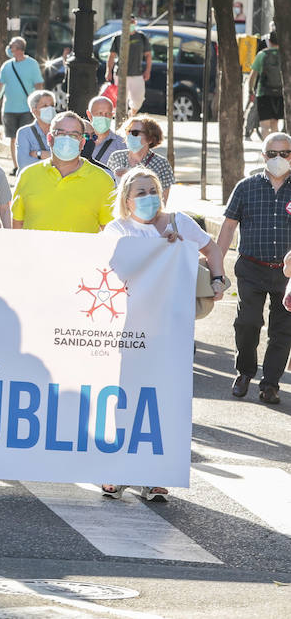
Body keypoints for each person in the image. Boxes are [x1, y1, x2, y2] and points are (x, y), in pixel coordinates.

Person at [99, 167, 226, 501]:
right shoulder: (116, 231)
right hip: (131, 331)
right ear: (126, 200)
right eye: (140, 192)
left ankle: (157, 475)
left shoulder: (180, 223)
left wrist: (217, 278)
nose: (148, 198)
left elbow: (212, 250)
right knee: (126, 399)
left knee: (166, 399)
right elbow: (108, 274)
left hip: (172, 329)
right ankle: (116, 471)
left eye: (152, 190)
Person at [215, 132, 291, 406]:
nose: (279, 159)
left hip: (287, 274)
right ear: (263, 156)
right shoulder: (246, 187)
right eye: (273, 153)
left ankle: (270, 384)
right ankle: (245, 372)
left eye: (285, 153)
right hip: (251, 268)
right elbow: (227, 227)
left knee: (282, 330)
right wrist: (216, 266)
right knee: (247, 323)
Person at [11, 110, 115, 233]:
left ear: (82, 143)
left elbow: (110, 230)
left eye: (74, 135)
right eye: (60, 133)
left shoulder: (103, 180)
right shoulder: (27, 175)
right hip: (35, 252)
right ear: (50, 139)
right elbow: (17, 224)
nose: (67, 139)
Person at [108, 115, 175, 199]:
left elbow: (163, 200)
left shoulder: (161, 164)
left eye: (135, 133)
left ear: (150, 138)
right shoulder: (116, 157)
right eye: (128, 131)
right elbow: (107, 190)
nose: (130, 136)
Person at [0, 36, 45, 152]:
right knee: (13, 139)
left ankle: (24, 164)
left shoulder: (32, 64)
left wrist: (39, 105)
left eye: (11, 46)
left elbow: (39, 86)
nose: (8, 48)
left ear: (18, 49)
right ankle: (15, 167)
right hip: (9, 109)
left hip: (27, 110)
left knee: (25, 138)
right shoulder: (6, 66)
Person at [106, 25, 153, 120]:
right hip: (120, 74)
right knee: (121, 101)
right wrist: (108, 71)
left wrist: (148, 70)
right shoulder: (118, 37)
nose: (130, 24)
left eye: (132, 22)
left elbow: (148, 55)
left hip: (137, 74)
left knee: (138, 99)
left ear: (135, 23)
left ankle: (131, 115)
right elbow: (111, 56)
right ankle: (121, 120)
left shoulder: (141, 37)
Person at [249, 31, 283, 137]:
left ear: (269, 41)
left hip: (263, 93)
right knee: (274, 123)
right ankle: (275, 150)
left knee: (264, 125)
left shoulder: (262, 55)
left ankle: (267, 150)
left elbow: (253, 75)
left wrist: (250, 90)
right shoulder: (284, 56)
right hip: (279, 93)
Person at [14, 89, 56, 173]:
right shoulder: (24, 133)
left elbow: (68, 162)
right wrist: (53, 159)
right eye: (45, 106)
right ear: (34, 110)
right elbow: (25, 164)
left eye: (52, 105)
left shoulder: (61, 132)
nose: (50, 109)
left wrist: (38, 154)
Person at [82, 95, 125, 167]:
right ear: (89, 115)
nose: (103, 117)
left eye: (107, 114)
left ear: (112, 115)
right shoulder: (79, 140)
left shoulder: (121, 145)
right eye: (100, 113)